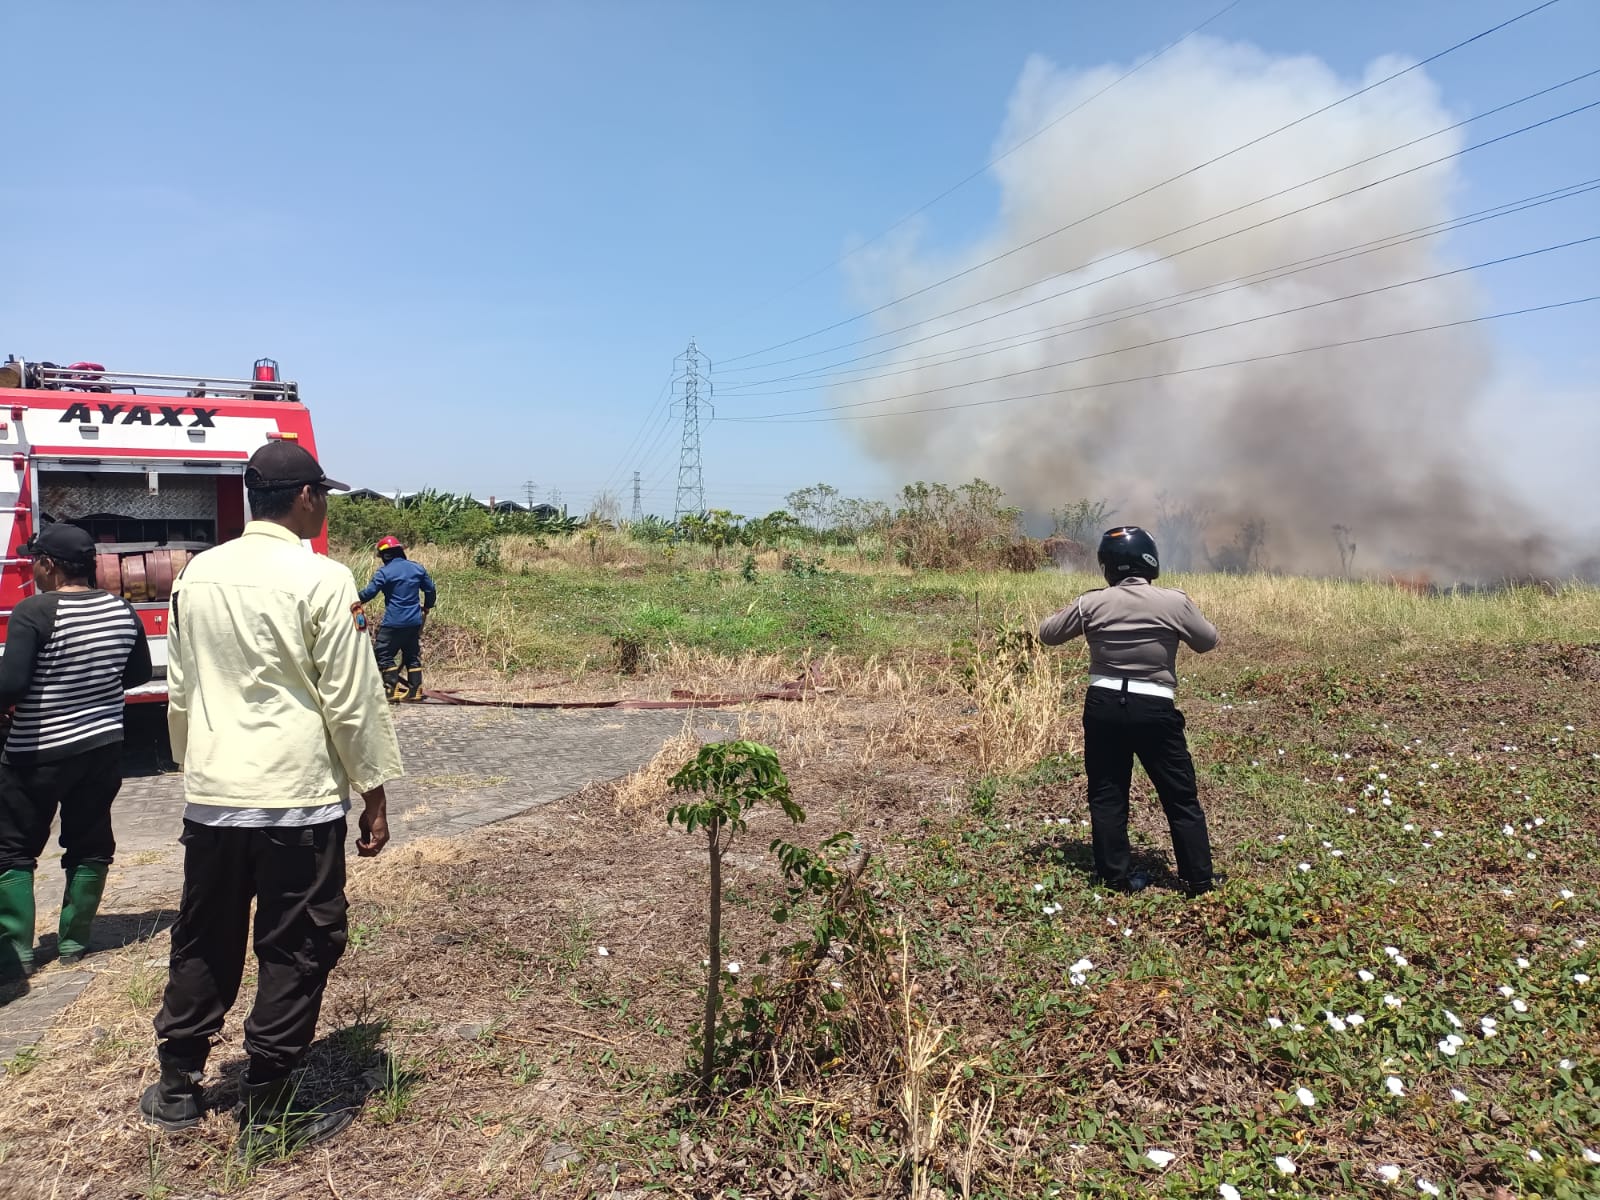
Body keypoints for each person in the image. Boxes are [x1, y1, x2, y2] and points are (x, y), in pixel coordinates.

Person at [140, 441, 403, 1152]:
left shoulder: (198, 576)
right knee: (299, 942)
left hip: (216, 797)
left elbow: (183, 689)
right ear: (308, 498)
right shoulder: (321, 579)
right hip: (297, 801)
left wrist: (198, 767)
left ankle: (176, 1083)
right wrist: (372, 795)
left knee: (205, 935)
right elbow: (352, 700)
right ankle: (268, 1098)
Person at [0, 523, 152, 981]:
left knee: (12, 850)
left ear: (48, 564)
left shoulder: (33, 612)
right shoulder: (122, 610)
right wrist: (92, 692)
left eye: (35, 563)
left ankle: (17, 954)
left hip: (37, 751)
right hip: (102, 748)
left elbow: (11, 685)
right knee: (89, 842)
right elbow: (139, 673)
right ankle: (73, 941)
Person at [1038, 526, 1219, 896]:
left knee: (1107, 793)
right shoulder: (1174, 602)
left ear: (1108, 565)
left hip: (1102, 705)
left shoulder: (1091, 603)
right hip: (1153, 705)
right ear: (1149, 560)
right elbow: (1207, 641)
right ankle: (1198, 880)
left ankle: (1115, 877)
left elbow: (1048, 633)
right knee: (1180, 795)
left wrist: (1083, 608)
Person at [359, 535, 436, 702]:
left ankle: (390, 689)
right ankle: (415, 690)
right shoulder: (417, 569)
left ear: (385, 556)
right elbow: (430, 590)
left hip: (393, 622)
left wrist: (352, 600)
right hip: (414, 621)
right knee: (411, 654)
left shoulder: (384, 573)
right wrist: (428, 606)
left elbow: (369, 593)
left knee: (382, 652)